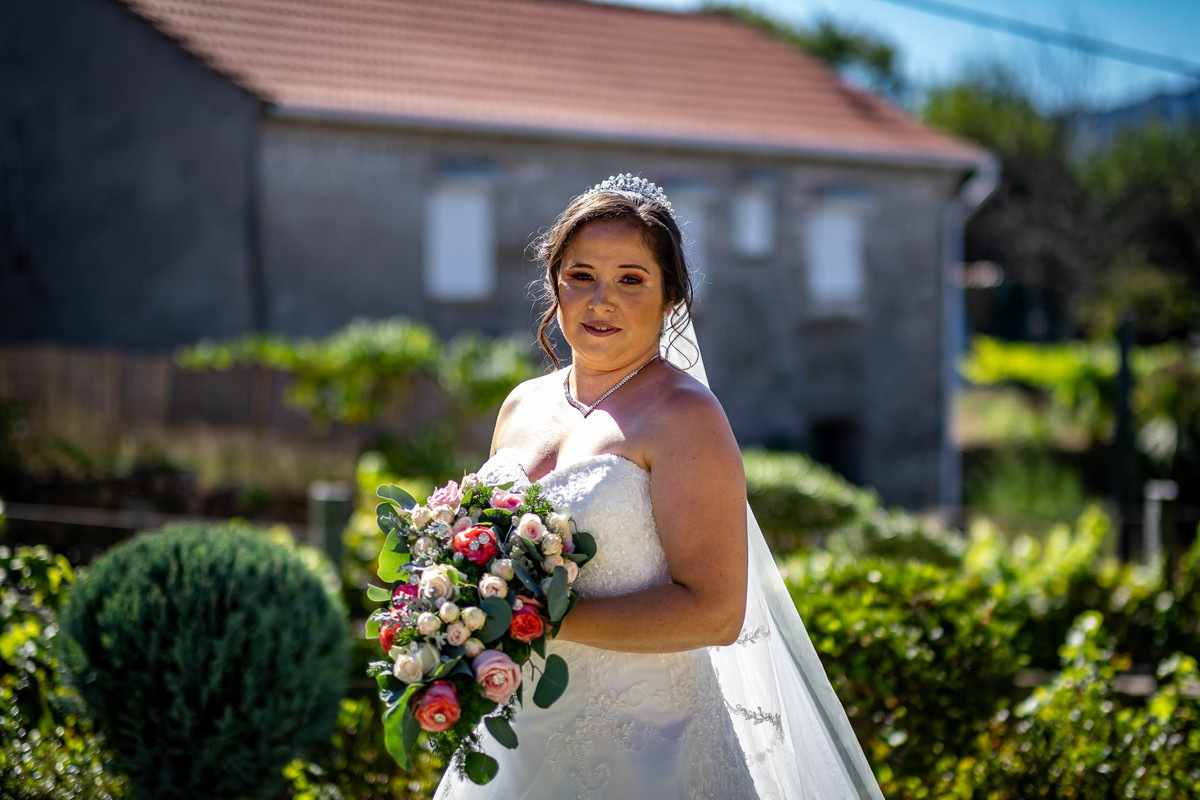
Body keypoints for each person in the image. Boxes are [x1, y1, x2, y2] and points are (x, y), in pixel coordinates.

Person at [434, 175, 883, 800]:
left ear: (670, 297)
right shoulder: (520, 405)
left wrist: (536, 621)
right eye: (581, 275)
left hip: (649, 749)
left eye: (631, 279)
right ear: (555, 283)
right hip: (511, 732)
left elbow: (717, 613)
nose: (601, 301)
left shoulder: (685, 417)